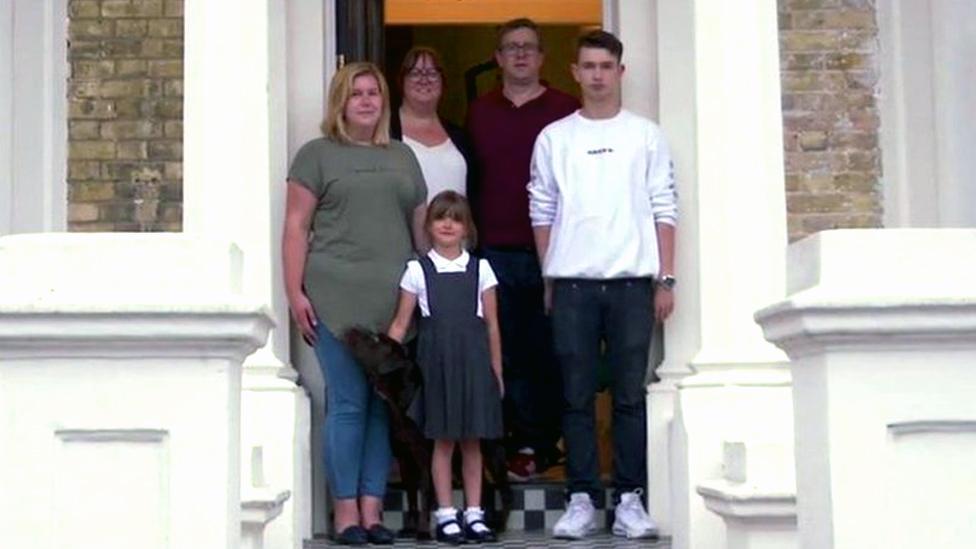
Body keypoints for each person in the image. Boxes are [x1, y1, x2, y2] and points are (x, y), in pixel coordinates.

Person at [528, 30, 677, 540]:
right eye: (588, 66)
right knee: (575, 397)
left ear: (620, 72)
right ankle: (581, 500)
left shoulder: (646, 135)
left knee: (630, 395)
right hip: (572, 285)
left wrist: (666, 278)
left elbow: (664, 206)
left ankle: (630, 500)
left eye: (605, 66)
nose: (596, 75)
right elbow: (542, 209)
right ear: (574, 71)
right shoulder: (555, 138)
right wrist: (550, 275)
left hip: (634, 283)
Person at [283, 62, 427, 546]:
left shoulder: (404, 156)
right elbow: (296, 226)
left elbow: (421, 231)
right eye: (355, 94)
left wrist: (429, 292)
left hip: (394, 301)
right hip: (335, 295)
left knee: (383, 406)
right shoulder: (316, 156)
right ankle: (345, 513)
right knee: (347, 403)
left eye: (373, 93)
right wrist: (293, 290)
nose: (366, 101)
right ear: (340, 103)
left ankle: (372, 512)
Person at [466, 17, 579, 481]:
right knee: (503, 349)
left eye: (529, 47)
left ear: (542, 57)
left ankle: (545, 441)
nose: (520, 54)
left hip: (555, 250)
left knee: (551, 350)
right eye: (511, 47)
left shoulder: (566, 110)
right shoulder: (481, 112)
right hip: (495, 247)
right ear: (497, 58)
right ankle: (515, 444)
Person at [387, 191, 504, 544]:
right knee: (443, 442)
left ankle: (474, 513)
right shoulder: (416, 271)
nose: (448, 224)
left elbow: (492, 325)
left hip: (474, 365)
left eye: (456, 218)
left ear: (467, 226)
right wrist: (385, 369)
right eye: (440, 217)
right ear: (429, 226)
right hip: (436, 366)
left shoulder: (481, 268)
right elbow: (400, 324)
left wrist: (496, 371)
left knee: (472, 443)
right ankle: (446, 513)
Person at [391, 46, 476, 202]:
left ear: (443, 82)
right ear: (401, 81)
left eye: (432, 73)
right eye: (415, 73)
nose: (424, 79)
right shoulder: (385, 132)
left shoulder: (460, 137)